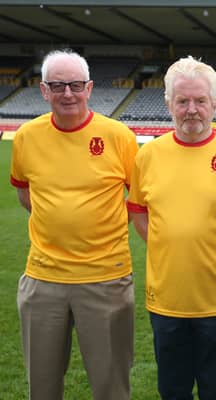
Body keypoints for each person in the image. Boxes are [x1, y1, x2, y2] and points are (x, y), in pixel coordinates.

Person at [9, 49, 137, 400]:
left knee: (111, 387)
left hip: (106, 280)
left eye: (76, 85)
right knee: (43, 387)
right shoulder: (26, 137)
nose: (68, 93)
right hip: (42, 280)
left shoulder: (119, 136)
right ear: (43, 90)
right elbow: (26, 195)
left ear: (90, 88)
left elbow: (139, 199)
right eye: (58, 85)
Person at [127, 56, 216, 400]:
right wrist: (169, 246)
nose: (191, 109)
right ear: (169, 103)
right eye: (182, 101)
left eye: (200, 101)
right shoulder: (148, 155)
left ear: (215, 103)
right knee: (173, 389)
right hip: (166, 300)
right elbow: (139, 213)